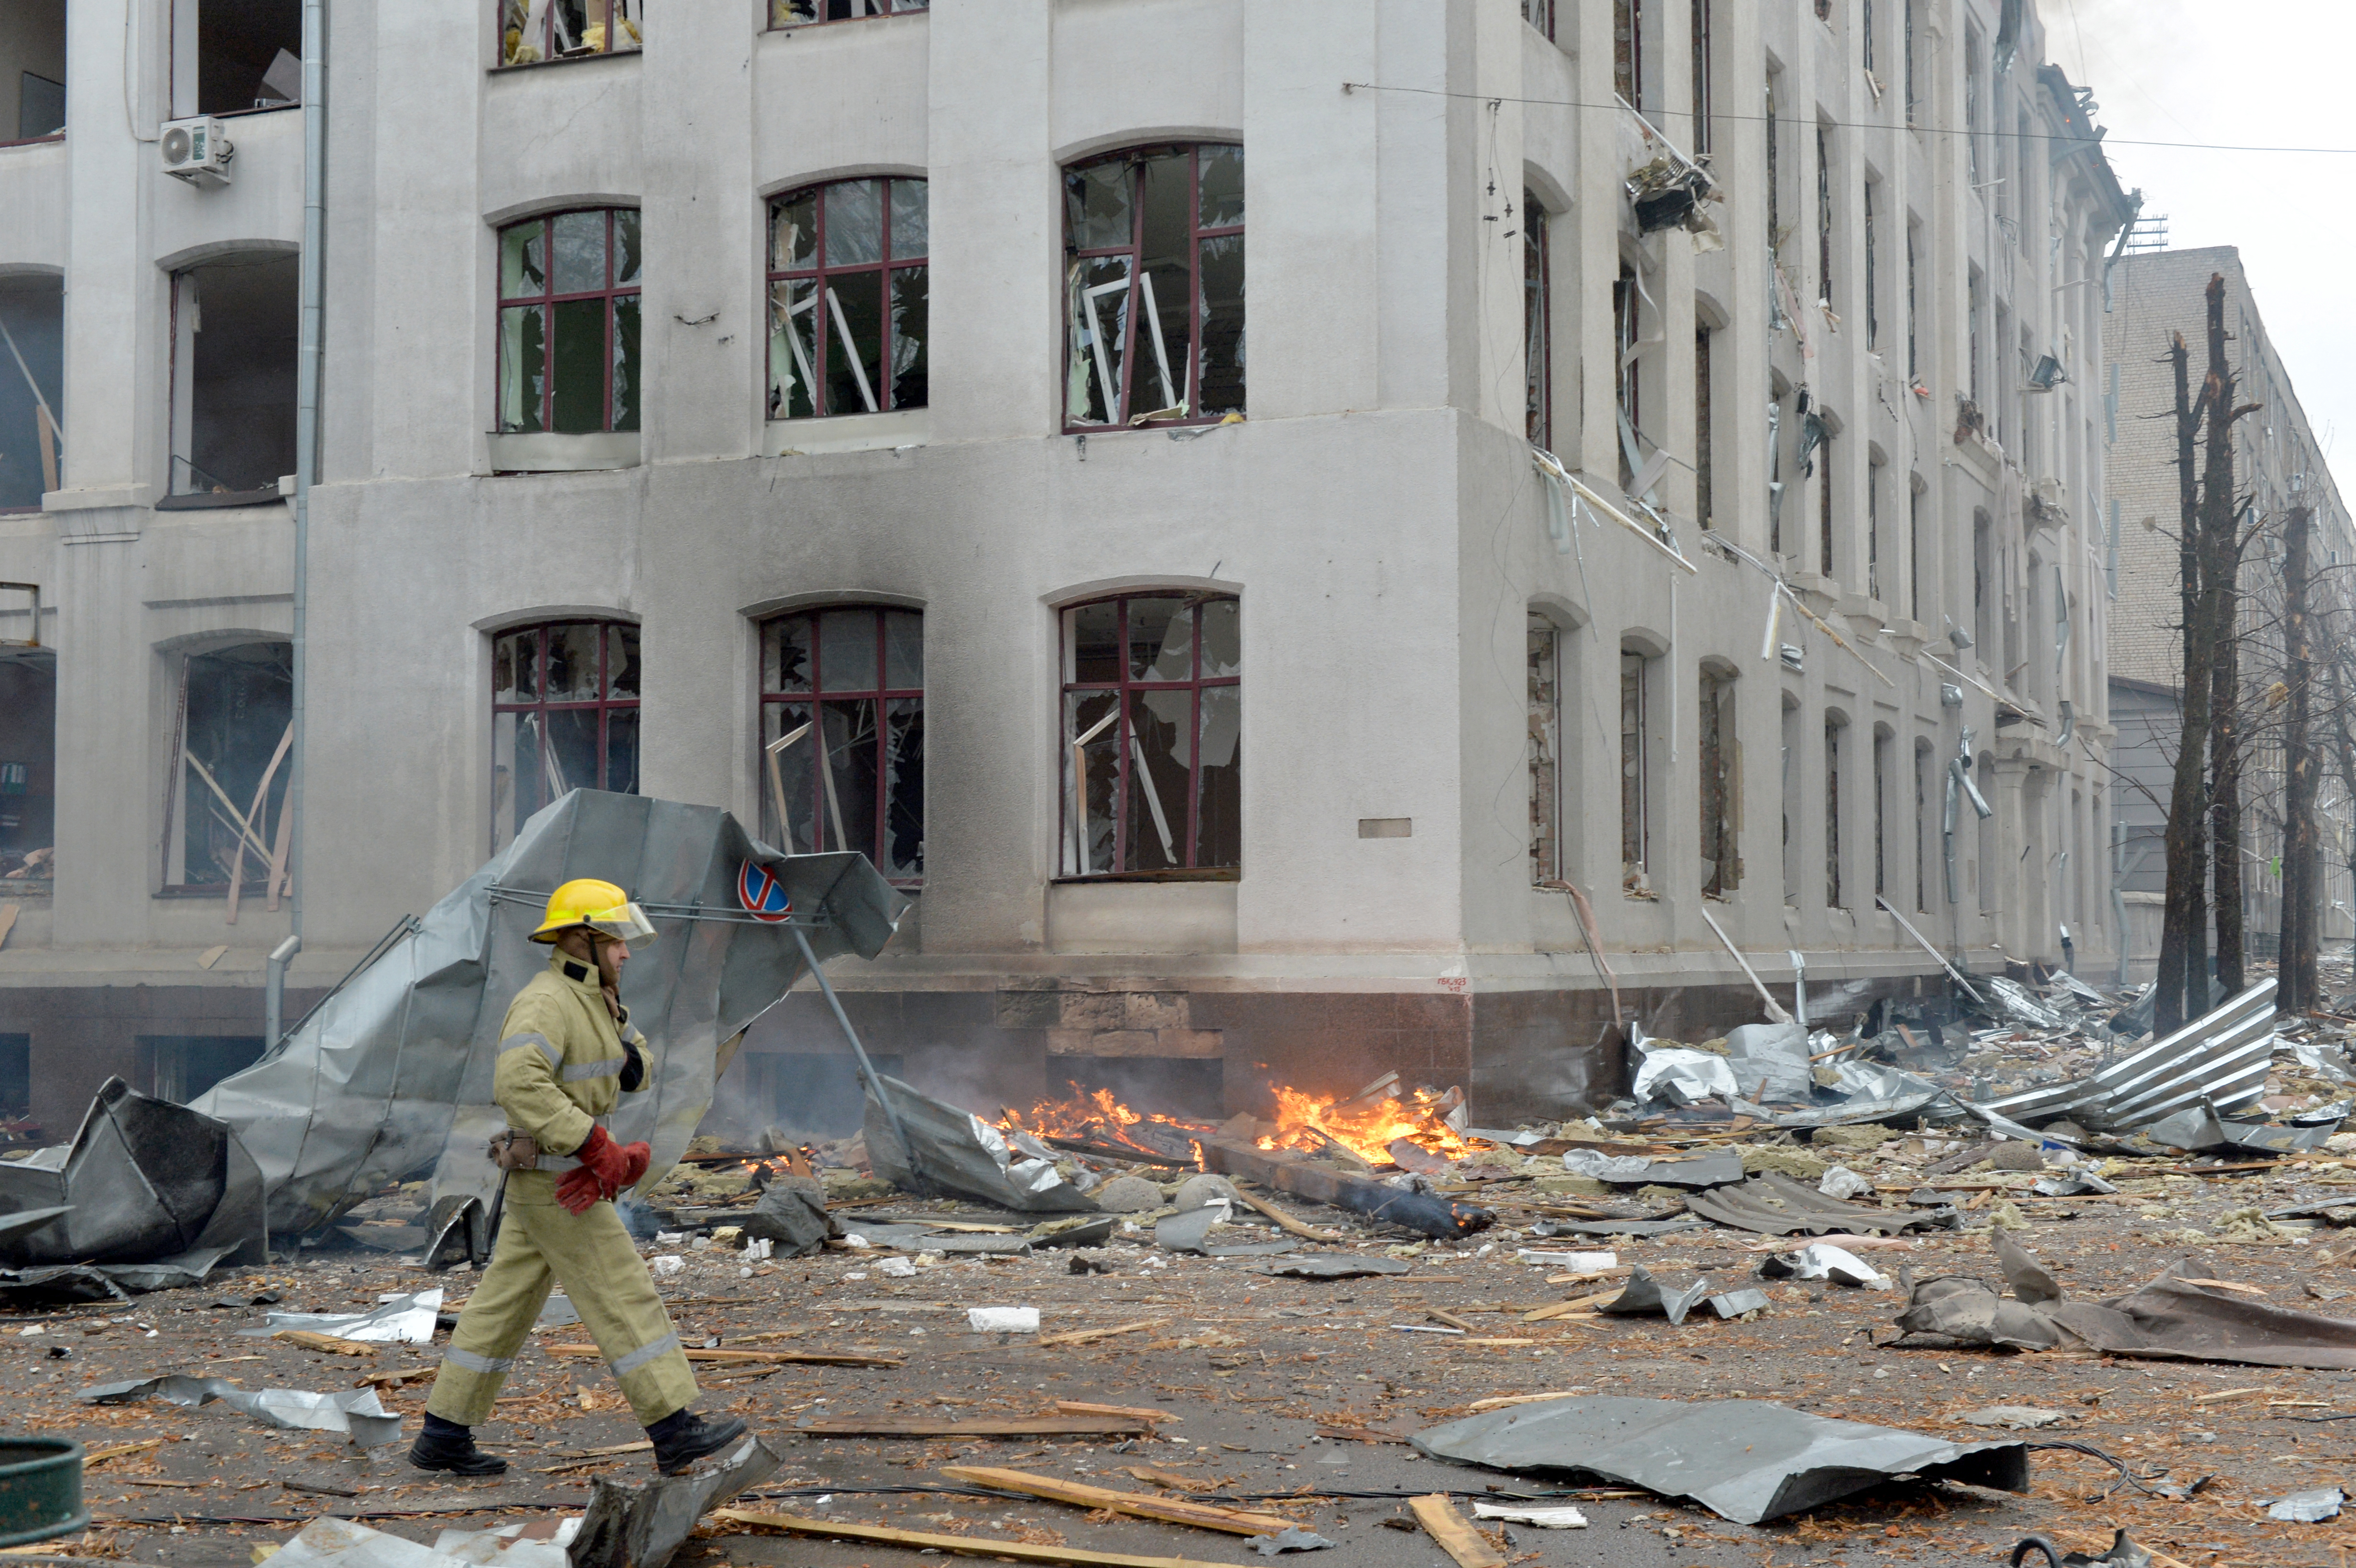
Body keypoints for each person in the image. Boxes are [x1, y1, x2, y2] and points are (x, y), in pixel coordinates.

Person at [409, 878, 747, 1477]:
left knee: (502, 1307)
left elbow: (632, 1075)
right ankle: (672, 1427)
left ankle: (442, 1434)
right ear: (581, 939)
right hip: (557, 1179)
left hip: (559, 1174)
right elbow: (519, 1085)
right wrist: (594, 1144)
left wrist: (619, 1036)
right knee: (622, 1291)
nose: (626, 952)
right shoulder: (544, 1002)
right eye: (616, 941)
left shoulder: (594, 1000)